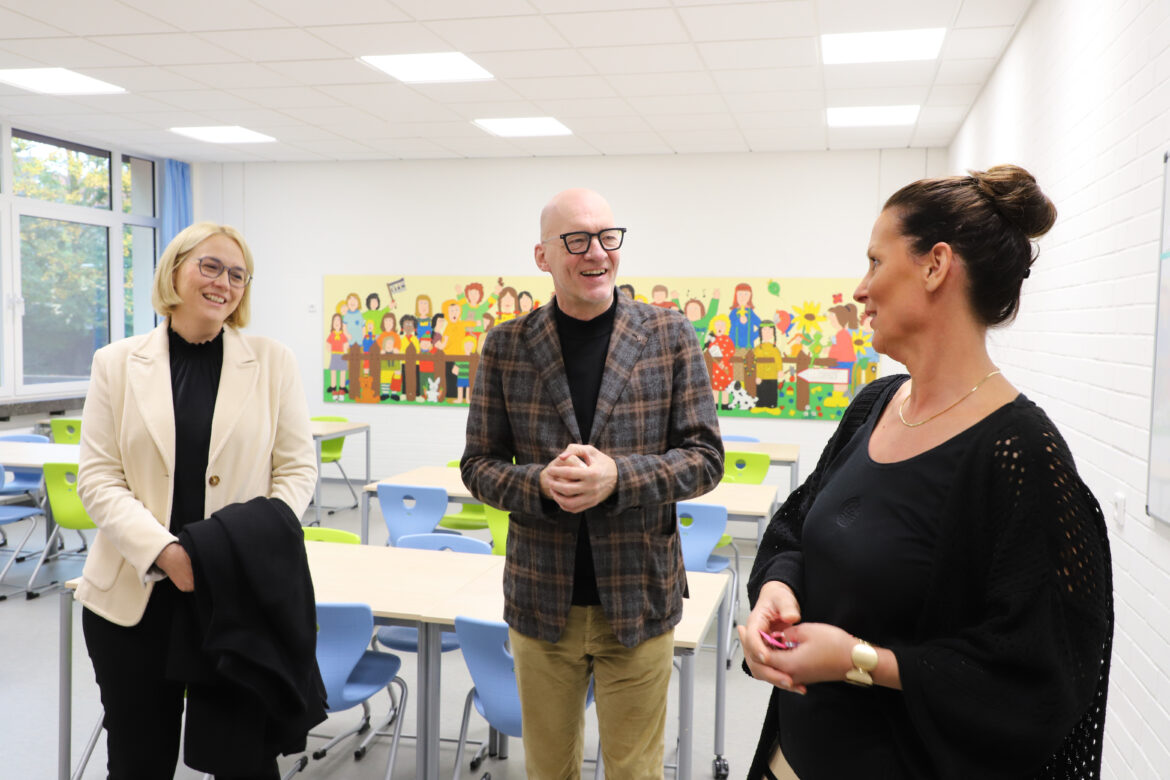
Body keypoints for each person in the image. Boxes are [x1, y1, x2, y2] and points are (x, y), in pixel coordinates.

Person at [739, 165, 1113, 780]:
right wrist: (778, 589)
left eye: (875, 263)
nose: (860, 290)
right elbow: (795, 527)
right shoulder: (875, 405)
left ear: (935, 266)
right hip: (791, 759)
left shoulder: (1023, 454)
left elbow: (1036, 681)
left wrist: (862, 661)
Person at [461, 187, 724, 779]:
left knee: (635, 770)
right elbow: (478, 464)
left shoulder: (669, 335)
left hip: (638, 599)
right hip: (541, 602)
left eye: (608, 237)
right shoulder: (506, 345)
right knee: (549, 770)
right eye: (576, 240)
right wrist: (539, 485)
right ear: (543, 256)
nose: (596, 252)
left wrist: (618, 477)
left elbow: (706, 458)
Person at [76, 222, 321, 779]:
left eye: (237, 274)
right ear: (174, 271)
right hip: (135, 597)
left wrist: (233, 551)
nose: (224, 282)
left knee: (246, 759)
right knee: (140, 757)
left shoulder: (272, 361)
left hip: (236, 591)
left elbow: (297, 469)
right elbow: (98, 478)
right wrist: (168, 553)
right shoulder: (115, 363)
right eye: (210, 266)